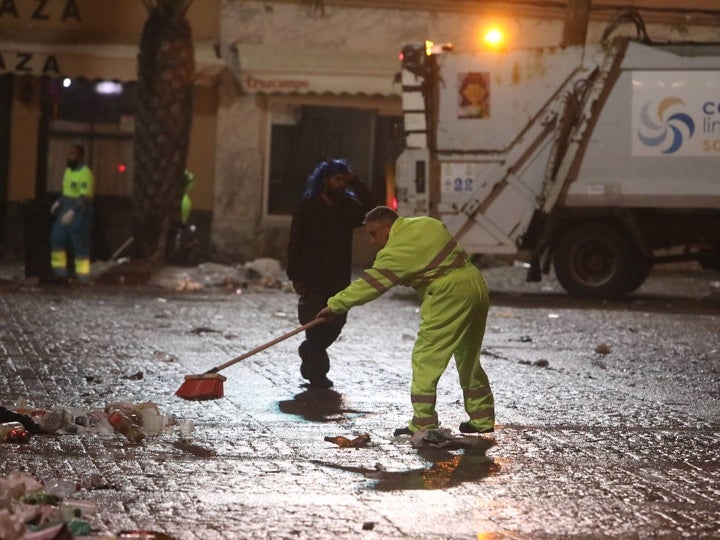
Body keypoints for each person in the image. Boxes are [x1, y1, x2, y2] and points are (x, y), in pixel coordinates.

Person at [316, 206, 495, 435]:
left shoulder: (396, 251)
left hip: (447, 294)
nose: (372, 241)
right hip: (475, 285)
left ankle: (424, 421)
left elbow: (370, 285)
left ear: (388, 227)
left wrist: (335, 306)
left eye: (373, 233)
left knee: (426, 357)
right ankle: (482, 417)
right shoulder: (427, 223)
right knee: (468, 356)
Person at [286, 159, 373, 389]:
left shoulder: (347, 208)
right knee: (314, 325)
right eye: (338, 179)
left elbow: (372, 209)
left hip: (338, 279)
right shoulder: (308, 207)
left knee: (335, 325)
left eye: (345, 180)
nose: (342, 184)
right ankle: (318, 374)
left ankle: (309, 352)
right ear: (325, 180)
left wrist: (357, 182)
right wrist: (295, 275)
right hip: (312, 279)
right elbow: (295, 242)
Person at [50, 143, 94, 283]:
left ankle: (82, 276)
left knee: (79, 244)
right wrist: (59, 201)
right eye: (69, 154)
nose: (70, 157)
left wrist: (73, 212)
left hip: (79, 213)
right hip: (65, 209)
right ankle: (59, 273)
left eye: (73, 154)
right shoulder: (68, 171)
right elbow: (66, 191)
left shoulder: (85, 173)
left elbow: (85, 197)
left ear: (80, 156)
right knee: (57, 239)